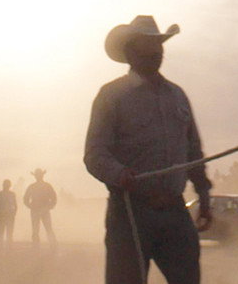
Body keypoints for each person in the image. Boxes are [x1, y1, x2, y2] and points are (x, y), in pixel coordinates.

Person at [84, 15, 212, 284]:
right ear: (131, 53)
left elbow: (193, 153)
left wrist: (204, 195)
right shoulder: (111, 96)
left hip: (175, 210)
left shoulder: (177, 96)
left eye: (158, 45)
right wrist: (121, 175)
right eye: (147, 45)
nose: (155, 52)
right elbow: (95, 154)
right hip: (130, 211)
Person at [24, 168, 58, 248]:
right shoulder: (46, 186)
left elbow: (54, 198)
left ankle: (39, 245)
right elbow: (54, 197)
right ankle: (50, 245)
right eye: (38, 175)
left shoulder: (33, 186)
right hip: (40, 210)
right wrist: (50, 206)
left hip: (40, 210)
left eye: (39, 175)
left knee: (42, 228)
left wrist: (49, 206)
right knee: (43, 228)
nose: (38, 177)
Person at [0, 179, 18, 245]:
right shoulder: (0, 194)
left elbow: (15, 205)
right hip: (3, 215)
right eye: (6, 185)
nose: (6, 186)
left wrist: (14, 213)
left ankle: (7, 248)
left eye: (7, 185)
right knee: (2, 233)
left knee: (8, 233)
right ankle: (2, 247)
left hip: (7, 215)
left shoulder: (11, 194)